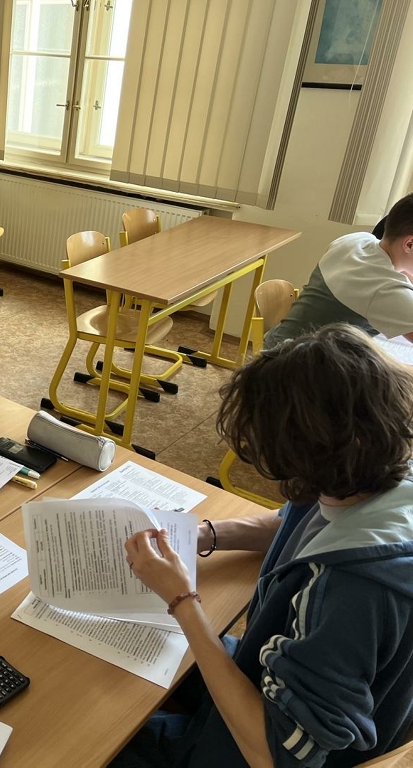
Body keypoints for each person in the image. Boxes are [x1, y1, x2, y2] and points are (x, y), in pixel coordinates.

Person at [114, 324, 413, 768]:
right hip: (274, 668)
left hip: (259, 744)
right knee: (139, 659)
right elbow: (292, 525)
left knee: (94, 728)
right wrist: (205, 535)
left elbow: (279, 755)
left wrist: (182, 601)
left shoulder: (349, 590)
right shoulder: (373, 474)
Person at [264, 193, 413, 347]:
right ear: (409, 244)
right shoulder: (386, 290)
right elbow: (393, 290)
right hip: (295, 359)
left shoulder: (356, 240)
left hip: (277, 343)